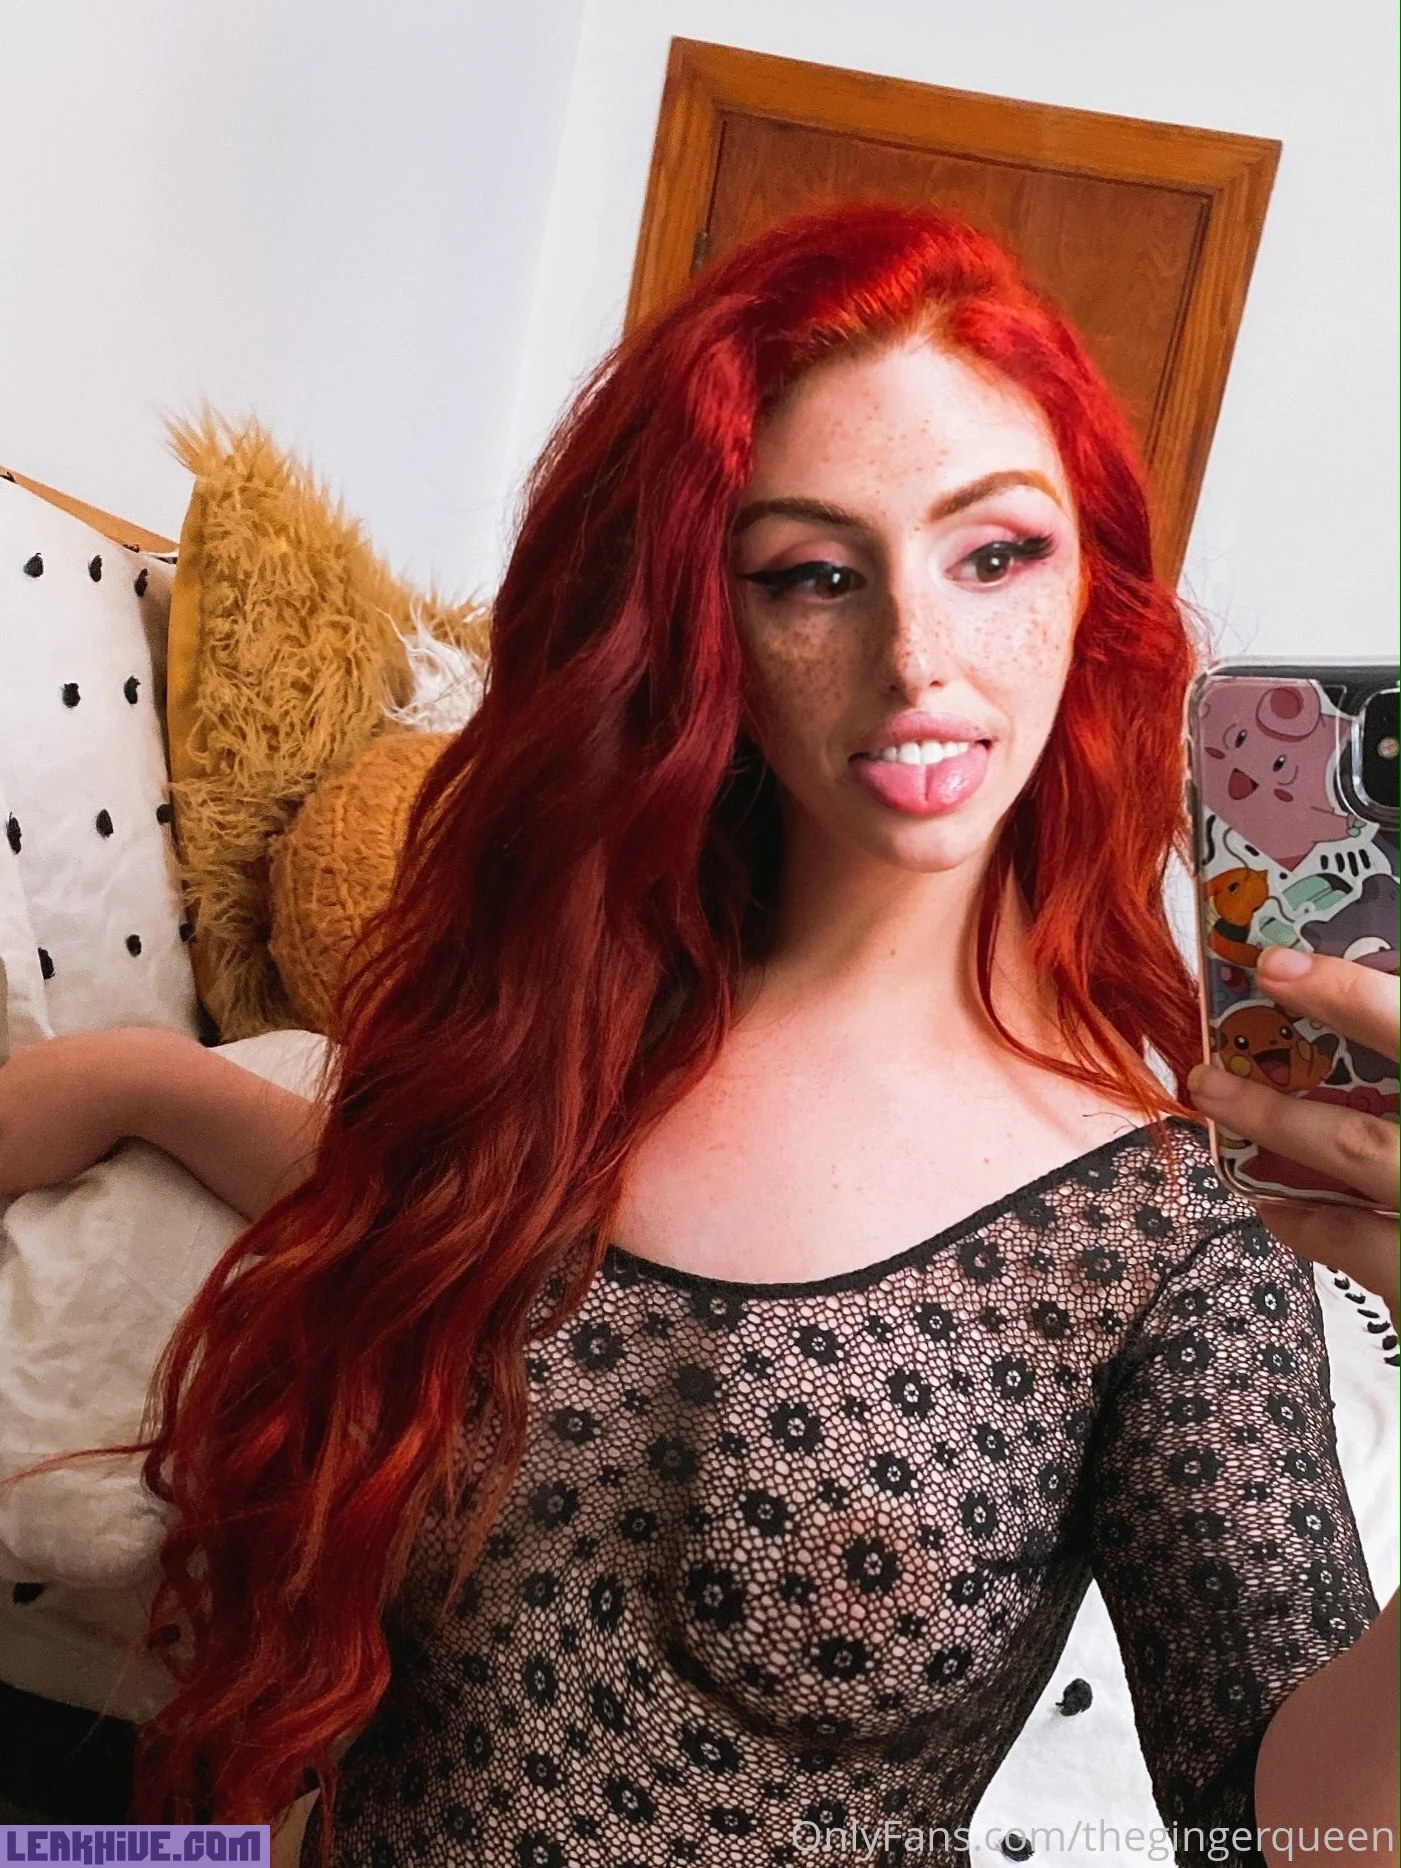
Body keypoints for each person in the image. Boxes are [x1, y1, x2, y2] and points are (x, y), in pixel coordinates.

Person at [0, 204, 1395, 1868]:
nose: (917, 658)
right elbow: (413, 1218)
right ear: (700, 617)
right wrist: (140, 1078)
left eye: (995, 555)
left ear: (1092, 590)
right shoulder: (544, 1059)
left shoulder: (1155, 1248)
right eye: (814, 574)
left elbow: (1301, 1843)